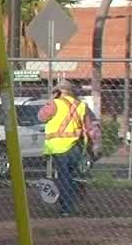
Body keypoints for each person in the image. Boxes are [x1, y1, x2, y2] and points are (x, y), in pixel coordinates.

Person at [37, 80, 100, 216]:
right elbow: (90, 127)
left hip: (59, 147)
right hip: (76, 146)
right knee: (71, 176)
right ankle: (72, 199)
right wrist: (94, 146)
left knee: (63, 178)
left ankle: (66, 207)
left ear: (58, 92)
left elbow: (41, 117)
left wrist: (50, 100)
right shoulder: (81, 106)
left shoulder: (54, 104)